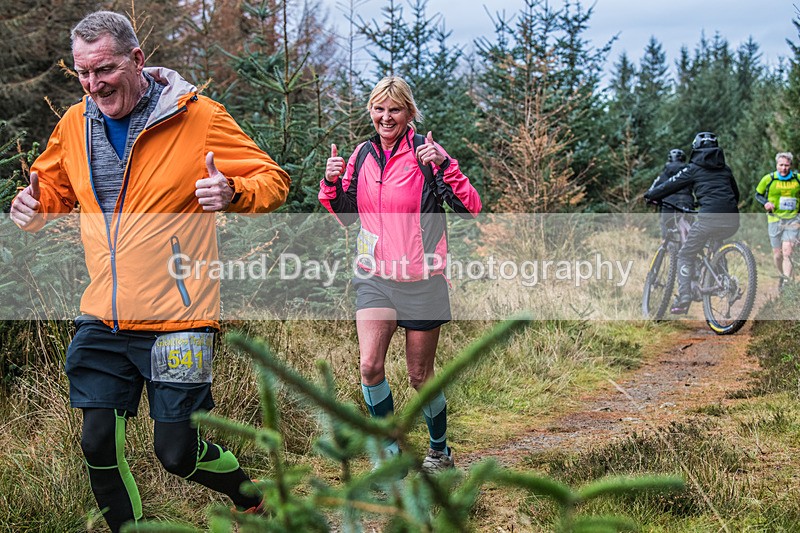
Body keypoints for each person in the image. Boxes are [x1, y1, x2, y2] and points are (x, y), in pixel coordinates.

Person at [9, 11, 290, 532]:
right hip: (103, 313)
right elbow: (51, 191)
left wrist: (233, 191)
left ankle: (247, 495)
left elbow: (272, 179)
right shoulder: (74, 123)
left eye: (105, 69)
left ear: (137, 59)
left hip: (181, 318)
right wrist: (32, 208)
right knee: (97, 443)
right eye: (83, 73)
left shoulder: (198, 117)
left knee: (176, 452)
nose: (94, 84)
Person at [319, 76, 481, 473]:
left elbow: (471, 208)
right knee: (370, 366)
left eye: (395, 109)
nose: (386, 117)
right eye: (379, 109)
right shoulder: (361, 155)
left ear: (409, 113)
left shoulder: (426, 155)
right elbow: (347, 216)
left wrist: (445, 165)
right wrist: (331, 182)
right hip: (375, 277)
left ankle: (439, 451)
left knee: (419, 376)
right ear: (371, 112)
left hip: (422, 280)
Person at [644, 132, 740, 314]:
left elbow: (670, 185)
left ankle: (684, 298)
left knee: (684, 255)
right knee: (716, 242)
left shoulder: (693, 169)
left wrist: (650, 195)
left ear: (695, 150)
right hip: (732, 220)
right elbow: (736, 195)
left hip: (709, 219)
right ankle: (722, 276)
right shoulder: (726, 170)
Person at [755, 152, 800, 288]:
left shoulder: (797, 179)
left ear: (791, 165)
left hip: (793, 219)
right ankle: (782, 275)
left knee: (788, 251)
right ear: (776, 165)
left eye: (786, 165)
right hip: (774, 219)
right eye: (781, 165)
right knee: (778, 255)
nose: (784, 168)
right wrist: (766, 203)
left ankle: (786, 283)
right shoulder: (769, 179)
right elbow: (758, 194)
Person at [648, 148, 694, 241]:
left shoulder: (664, 174)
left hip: (668, 204)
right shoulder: (689, 172)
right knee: (688, 227)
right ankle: (690, 244)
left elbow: (652, 190)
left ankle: (667, 244)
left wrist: (651, 198)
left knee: (666, 228)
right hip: (686, 202)